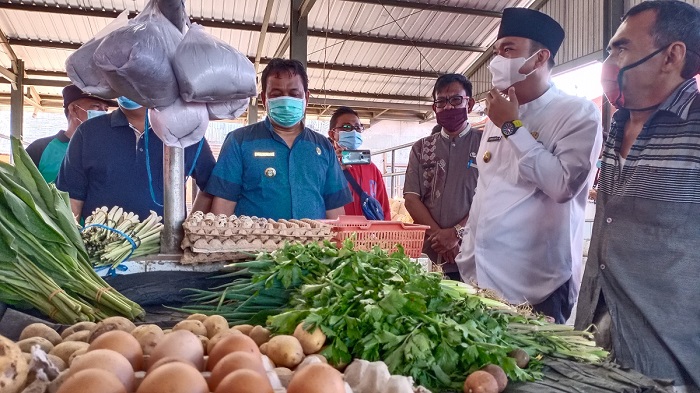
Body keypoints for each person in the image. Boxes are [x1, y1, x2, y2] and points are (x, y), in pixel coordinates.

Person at [576, 1, 700, 390]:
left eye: (621, 48)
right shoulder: (618, 126)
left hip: (670, 359)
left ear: (671, 56)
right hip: (596, 337)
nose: (610, 60)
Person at [455, 8, 602, 324]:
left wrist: (512, 127)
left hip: (537, 289)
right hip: (480, 278)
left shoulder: (575, 114)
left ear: (539, 58)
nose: (497, 60)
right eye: (497, 51)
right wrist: (467, 253)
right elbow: (487, 189)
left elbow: (562, 186)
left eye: (508, 49)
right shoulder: (499, 113)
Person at [206, 58, 351, 220]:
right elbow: (223, 207)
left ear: (306, 98)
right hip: (254, 244)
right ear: (264, 99)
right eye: (276, 94)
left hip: (312, 245)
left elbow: (335, 211)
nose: (286, 100)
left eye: (294, 94)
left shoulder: (323, 146)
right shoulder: (239, 142)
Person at [56, 96, 216, 221]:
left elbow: (212, 187)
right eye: (121, 80)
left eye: (136, 80)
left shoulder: (186, 132)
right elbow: (71, 199)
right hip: (102, 249)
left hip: (166, 249)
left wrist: (189, 226)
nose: (128, 88)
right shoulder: (88, 132)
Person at [403, 74, 481, 280]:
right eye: (441, 102)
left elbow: (493, 199)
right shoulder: (421, 148)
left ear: (469, 103)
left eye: (456, 100)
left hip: (476, 257)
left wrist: (456, 234)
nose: (448, 107)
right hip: (431, 257)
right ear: (434, 108)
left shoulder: (487, 144)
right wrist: (440, 237)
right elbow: (411, 199)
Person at [26, 85, 117, 183]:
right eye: (96, 106)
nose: (103, 114)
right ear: (73, 109)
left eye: (106, 109)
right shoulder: (39, 149)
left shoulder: (109, 151)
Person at [327, 106, 391, 220]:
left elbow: (384, 208)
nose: (353, 131)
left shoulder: (372, 169)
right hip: (335, 234)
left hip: (369, 235)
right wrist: (333, 168)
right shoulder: (325, 167)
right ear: (332, 134)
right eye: (346, 127)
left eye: (357, 127)